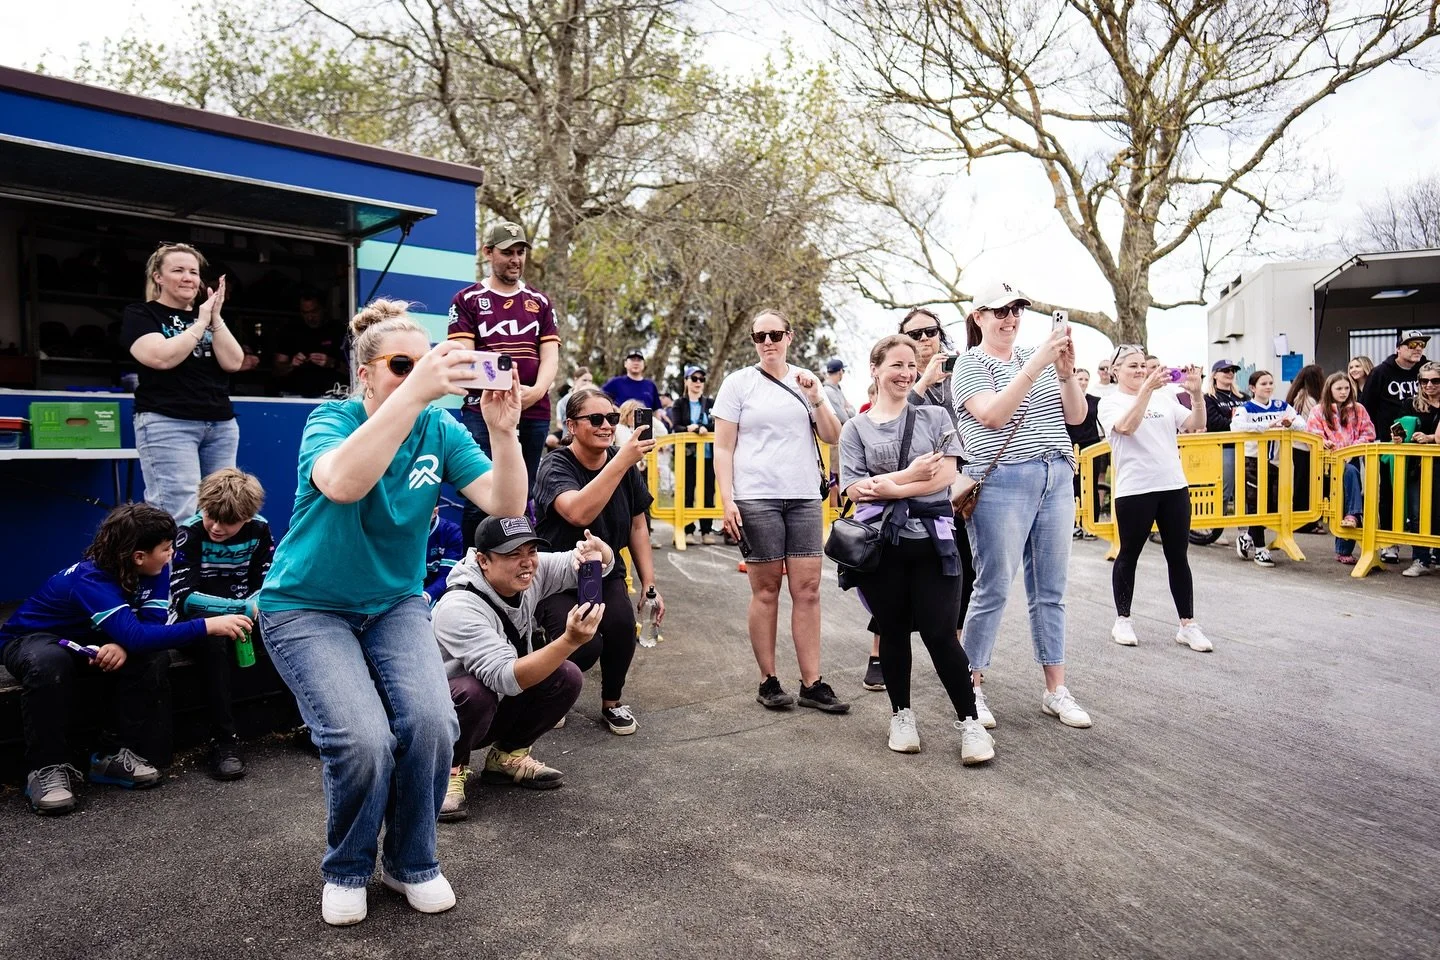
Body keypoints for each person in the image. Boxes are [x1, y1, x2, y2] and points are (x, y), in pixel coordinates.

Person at [257, 298, 527, 926]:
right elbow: (344, 483)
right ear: (368, 374)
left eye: (426, 362)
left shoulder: (443, 432)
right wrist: (416, 395)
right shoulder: (331, 419)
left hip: (394, 604)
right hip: (306, 607)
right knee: (361, 739)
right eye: (402, 365)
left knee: (434, 725)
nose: (419, 375)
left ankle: (411, 862)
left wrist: (506, 433)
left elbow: (504, 506)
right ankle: (348, 866)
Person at [1, 504, 251, 815]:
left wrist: (124, 643)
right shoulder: (90, 580)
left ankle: (110, 756)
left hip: (91, 640)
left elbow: (151, 628)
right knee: (51, 663)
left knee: (151, 657)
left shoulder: (155, 570)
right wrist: (206, 625)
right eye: (166, 548)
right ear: (138, 557)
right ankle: (45, 768)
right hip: (33, 641)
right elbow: (136, 635)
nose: (172, 553)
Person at [838, 334, 993, 762]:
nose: (906, 373)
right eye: (896, 365)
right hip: (882, 546)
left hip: (935, 542)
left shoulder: (935, 418)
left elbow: (945, 477)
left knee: (941, 633)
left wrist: (886, 484)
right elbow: (854, 488)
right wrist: (906, 476)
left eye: (911, 365)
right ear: (876, 369)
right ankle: (901, 715)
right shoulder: (855, 428)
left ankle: (970, 723)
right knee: (891, 629)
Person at [952, 281, 1092, 730]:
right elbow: (993, 415)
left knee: (1051, 589)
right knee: (993, 586)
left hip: (1056, 471)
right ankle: (970, 687)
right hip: (1004, 478)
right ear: (978, 317)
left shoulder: (1043, 360)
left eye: (1016, 310)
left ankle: (1056, 688)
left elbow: (1076, 417)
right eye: (1000, 311)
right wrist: (1036, 362)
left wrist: (1067, 371)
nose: (1010, 318)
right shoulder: (970, 364)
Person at [713, 308, 848, 714]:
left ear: (790, 336)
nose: (768, 342)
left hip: (805, 497)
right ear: (753, 342)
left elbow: (833, 435)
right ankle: (768, 680)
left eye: (775, 334)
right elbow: (723, 446)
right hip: (756, 497)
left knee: (807, 591)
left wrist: (817, 396)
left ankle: (812, 682)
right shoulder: (738, 384)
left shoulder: (806, 381)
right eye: (759, 336)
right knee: (766, 589)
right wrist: (727, 500)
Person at [431, 517, 610, 821]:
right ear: (483, 560)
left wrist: (599, 551)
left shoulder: (529, 573)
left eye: (531, 551)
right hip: (444, 717)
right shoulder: (459, 608)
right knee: (474, 692)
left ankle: (507, 758)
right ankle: (445, 770)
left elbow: (591, 564)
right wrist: (569, 640)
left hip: (495, 705)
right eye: (513, 554)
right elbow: (506, 677)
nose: (527, 563)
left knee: (565, 676)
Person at [533, 387, 662, 735]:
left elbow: (638, 524)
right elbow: (577, 513)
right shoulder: (555, 464)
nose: (606, 425)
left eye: (611, 418)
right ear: (571, 425)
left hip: (606, 571)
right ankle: (552, 688)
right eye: (595, 419)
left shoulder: (622, 463)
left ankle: (612, 703)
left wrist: (649, 585)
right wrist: (622, 462)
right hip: (559, 574)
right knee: (586, 643)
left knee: (621, 629)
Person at [447, 221, 560, 537]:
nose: (515, 259)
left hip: (533, 409)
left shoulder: (540, 301)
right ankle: (473, 567)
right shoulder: (467, 299)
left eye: (520, 252)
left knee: (522, 495)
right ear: (488, 253)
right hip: (482, 411)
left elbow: (550, 355)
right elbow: (464, 355)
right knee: (480, 496)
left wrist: (537, 391)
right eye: (507, 252)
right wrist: (502, 389)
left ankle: (519, 567)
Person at [1097, 347, 1212, 651]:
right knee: (1129, 555)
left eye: (1142, 365)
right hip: (1135, 489)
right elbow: (1126, 427)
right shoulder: (1109, 402)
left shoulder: (1166, 397)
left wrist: (1197, 394)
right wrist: (1146, 389)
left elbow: (1194, 424)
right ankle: (1122, 619)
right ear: (1115, 370)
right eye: (1132, 365)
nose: (1139, 370)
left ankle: (1188, 624)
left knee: (1178, 556)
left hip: (1173, 485)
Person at [124, 243, 245, 520]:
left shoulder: (207, 317)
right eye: (178, 270)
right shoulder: (142, 314)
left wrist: (215, 318)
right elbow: (160, 358)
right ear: (158, 277)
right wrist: (200, 324)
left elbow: (234, 362)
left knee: (221, 509)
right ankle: (174, 566)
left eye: (193, 271)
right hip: (168, 421)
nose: (188, 277)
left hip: (220, 423)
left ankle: (211, 565)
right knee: (176, 510)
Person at [892, 306, 978, 693]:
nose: (926, 339)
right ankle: (883, 653)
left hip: (961, 489)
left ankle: (957, 651)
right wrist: (921, 381)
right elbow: (891, 418)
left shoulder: (963, 372)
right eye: (916, 334)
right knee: (899, 574)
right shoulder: (896, 374)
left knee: (962, 571)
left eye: (931, 332)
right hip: (914, 490)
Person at [170, 468, 275, 781]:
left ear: (247, 515)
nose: (215, 526)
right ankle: (224, 742)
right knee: (214, 642)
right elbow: (184, 598)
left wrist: (251, 607)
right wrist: (234, 610)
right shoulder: (188, 532)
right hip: (198, 620)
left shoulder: (260, 529)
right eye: (210, 516)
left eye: (227, 521)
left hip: (245, 612)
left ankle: (309, 726)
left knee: (296, 625)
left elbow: (268, 581)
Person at [1361, 333, 1430, 564]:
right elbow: (1366, 407)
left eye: (1421, 345)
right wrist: (1372, 438)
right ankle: (1389, 542)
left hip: (1422, 444)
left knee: (1423, 495)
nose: (1417, 349)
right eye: (1412, 345)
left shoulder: (1427, 372)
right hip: (1389, 444)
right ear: (1398, 348)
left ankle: (1425, 546)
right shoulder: (1381, 372)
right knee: (1390, 493)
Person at [1232, 370, 1305, 567]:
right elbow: (1236, 426)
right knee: (1257, 505)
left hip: (1276, 462)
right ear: (1253, 388)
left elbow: (1301, 423)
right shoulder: (1245, 408)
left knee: (1272, 505)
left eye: (1271, 383)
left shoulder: (1281, 405)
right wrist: (1266, 426)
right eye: (1263, 383)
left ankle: (1247, 536)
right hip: (1252, 462)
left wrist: (1290, 424)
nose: (1268, 387)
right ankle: (1261, 550)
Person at [1306, 372, 1375, 564]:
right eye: (1339, 388)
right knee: (1343, 498)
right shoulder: (1318, 411)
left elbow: (1368, 432)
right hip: (1328, 462)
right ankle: (1353, 515)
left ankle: (1344, 547)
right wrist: (1325, 443)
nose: (1343, 392)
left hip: (1351, 458)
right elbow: (1313, 433)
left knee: (1347, 498)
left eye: (1346, 388)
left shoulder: (1358, 409)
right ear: (1329, 390)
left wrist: (1353, 448)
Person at [1399, 361, 1440, 577]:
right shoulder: (1410, 404)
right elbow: (1399, 428)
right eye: (1424, 381)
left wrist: (1430, 438)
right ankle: (1420, 558)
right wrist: (1398, 436)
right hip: (1417, 467)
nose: (1429, 385)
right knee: (1417, 513)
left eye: (1435, 380)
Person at [671, 365, 718, 544]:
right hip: (687, 456)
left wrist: (705, 428)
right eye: (694, 379)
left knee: (708, 492)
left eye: (701, 379)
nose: (698, 382)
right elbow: (676, 427)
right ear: (686, 381)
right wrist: (690, 429)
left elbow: (718, 424)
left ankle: (706, 531)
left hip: (708, 455)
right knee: (687, 492)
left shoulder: (711, 403)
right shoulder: (679, 403)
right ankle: (687, 530)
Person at [272, 294, 347, 398]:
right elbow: (276, 371)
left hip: (330, 395)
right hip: (295, 395)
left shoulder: (338, 330)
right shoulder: (290, 331)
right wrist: (291, 364)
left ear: (324, 309)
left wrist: (332, 363)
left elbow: (353, 370)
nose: (310, 317)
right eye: (305, 313)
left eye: (314, 311)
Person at [1204, 359, 1248, 518]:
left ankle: (1245, 530)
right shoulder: (1209, 397)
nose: (1230, 373)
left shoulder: (1243, 396)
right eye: (1226, 370)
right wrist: (1240, 425)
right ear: (1215, 375)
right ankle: (1215, 526)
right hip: (1224, 448)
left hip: (1246, 447)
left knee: (1245, 491)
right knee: (1224, 490)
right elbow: (1213, 423)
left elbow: (1254, 418)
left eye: (1233, 370)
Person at [1066, 368, 1104, 539]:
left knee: (1091, 485)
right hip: (1071, 445)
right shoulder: (1066, 399)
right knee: (1072, 485)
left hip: (1092, 447)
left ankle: (1091, 524)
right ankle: (1073, 524)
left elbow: (1102, 424)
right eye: (1079, 379)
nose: (1082, 382)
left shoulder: (1096, 401)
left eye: (1085, 379)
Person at [1285, 364, 1326, 515]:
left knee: (1299, 483)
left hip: (1295, 445)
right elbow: (1310, 426)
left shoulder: (1296, 395)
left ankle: (1300, 516)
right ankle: (1304, 518)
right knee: (1305, 484)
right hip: (1305, 446)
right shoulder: (1310, 400)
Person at [423, 508, 465, 605]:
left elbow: (448, 575)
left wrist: (427, 595)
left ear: (435, 512)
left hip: (433, 594)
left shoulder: (450, 531)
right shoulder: (400, 530)